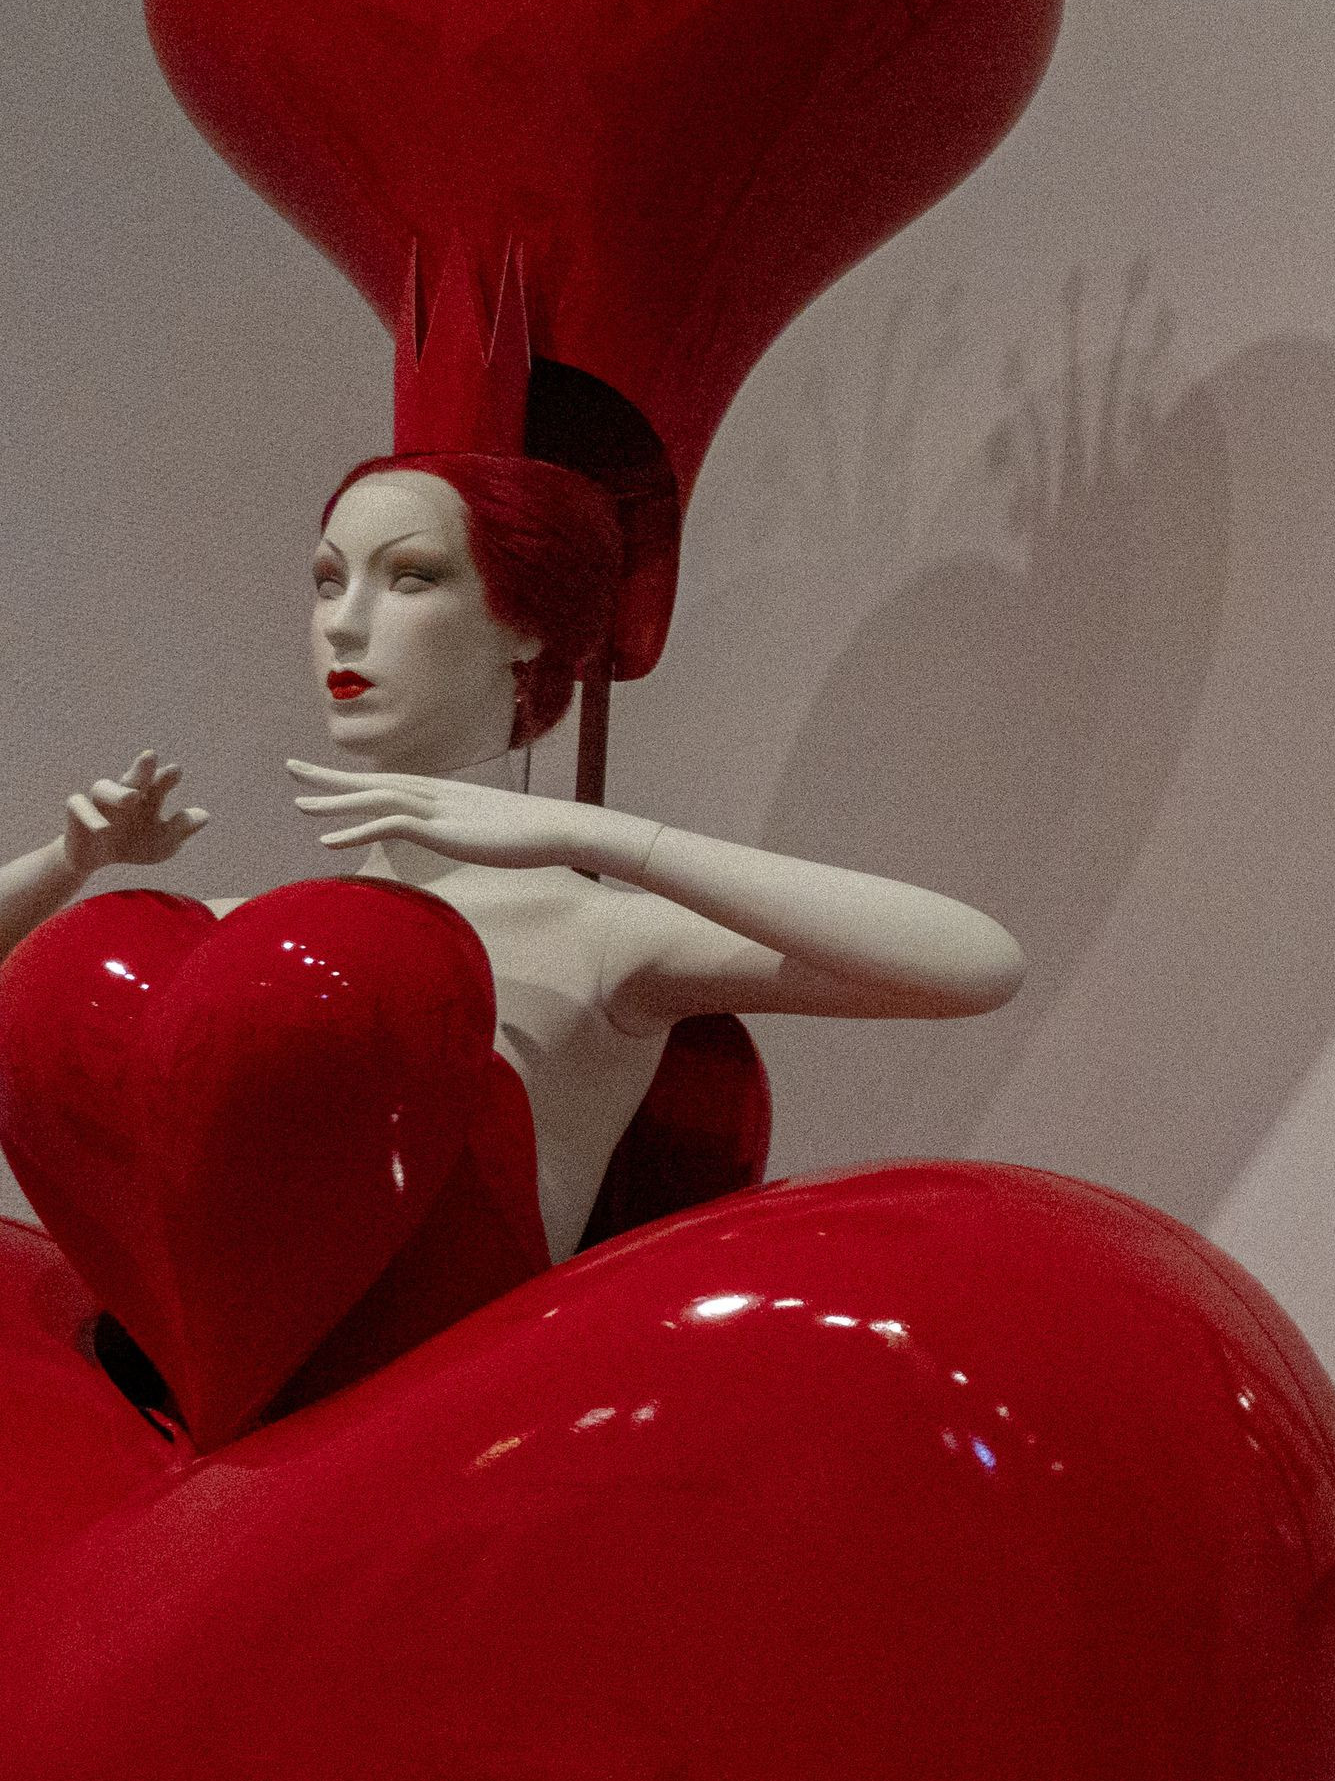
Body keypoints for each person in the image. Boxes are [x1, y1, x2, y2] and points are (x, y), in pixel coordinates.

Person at [0, 451, 1022, 1262]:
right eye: (327, 580)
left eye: (411, 577)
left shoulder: (597, 938)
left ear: (524, 625)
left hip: (466, 1445)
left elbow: (974, 965)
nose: (344, 623)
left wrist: (595, 835)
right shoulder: (252, 942)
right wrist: (69, 862)